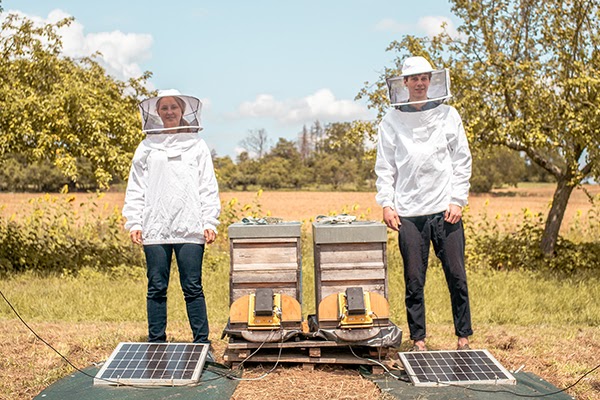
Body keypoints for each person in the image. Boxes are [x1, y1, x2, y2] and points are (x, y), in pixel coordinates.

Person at [374, 56, 473, 351]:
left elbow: (462, 159)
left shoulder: (449, 114)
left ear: (431, 81)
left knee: (456, 274)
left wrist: (457, 200)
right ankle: (418, 340)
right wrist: (387, 204)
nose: (419, 83)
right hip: (409, 213)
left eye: (424, 78)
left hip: (446, 211)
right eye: (414, 78)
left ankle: (463, 337)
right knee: (414, 278)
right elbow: (385, 166)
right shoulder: (391, 120)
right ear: (404, 83)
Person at [122, 89, 221, 349]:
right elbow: (136, 186)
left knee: (192, 287)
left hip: (190, 226)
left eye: (173, 107)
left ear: (183, 111)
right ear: (156, 112)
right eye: (164, 108)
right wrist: (134, 221)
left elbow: (207, 185)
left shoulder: (197, 145)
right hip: (155, 227)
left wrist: (209, 221)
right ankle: (156, 344)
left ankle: (203, 345)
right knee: (156, 287)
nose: (168, 112)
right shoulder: (146, 146)